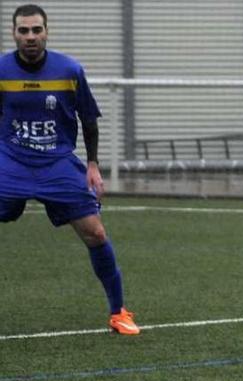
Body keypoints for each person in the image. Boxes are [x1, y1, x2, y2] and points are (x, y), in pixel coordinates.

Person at [0, 4, 140, 335]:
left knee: (96, 232)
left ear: (47, 31)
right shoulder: (2, 70)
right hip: (11, 161)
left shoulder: (69, 70)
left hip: (57, 164)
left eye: (36, 30)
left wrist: (92, 165)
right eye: (24, 30)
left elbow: (88, 121)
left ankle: (118, 312)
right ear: (14, 33)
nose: (30, 37)